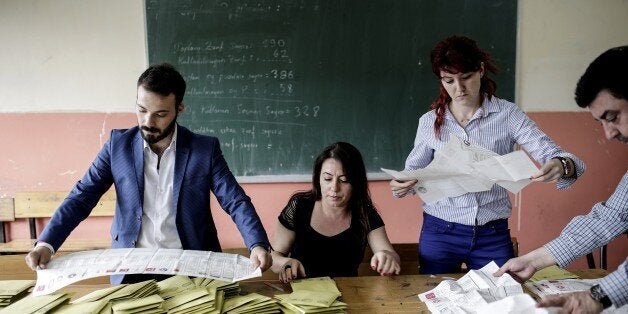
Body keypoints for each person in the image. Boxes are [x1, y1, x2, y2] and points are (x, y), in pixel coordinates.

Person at [24, 63, 272, 284]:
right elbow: (82, 197)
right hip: (131, 267)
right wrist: (47, 243)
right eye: (141, 110)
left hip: (190, 267)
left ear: (179, 109)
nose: (148, 121)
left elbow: (235, 201)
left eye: (160, 114)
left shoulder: (204, 149)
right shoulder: (116, 146)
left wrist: (257, 243)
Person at [389, 35, 586, 274]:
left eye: (466, 78)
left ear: (480, 70)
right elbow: (411, 176)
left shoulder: (508, 114)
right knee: (434, 302)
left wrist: (561, 164)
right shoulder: (430, 122)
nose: (458, 89)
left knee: (501, 300)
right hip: (441, 232)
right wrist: (401, 185)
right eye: (448, 80)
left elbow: (557, 155)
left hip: (492, 234)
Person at [495, 46, 628, 313]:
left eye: (613, 117)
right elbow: (613, 216)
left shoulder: (507, 114)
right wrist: (535, 259)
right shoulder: (431, 120)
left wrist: (597, 296)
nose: (609, 134)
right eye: (601, 122)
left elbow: (563, 159)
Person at [270, 142, 401, 283]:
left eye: (344, 180)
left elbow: (391, 255)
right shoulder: (300, 206)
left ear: (356, 183)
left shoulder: (365, 212)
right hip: (302, 296)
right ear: (317, 178)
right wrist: (285, 263)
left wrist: (388, 258)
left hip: (348, 295)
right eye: (327, 179)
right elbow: (274, 256)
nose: (334, 188)